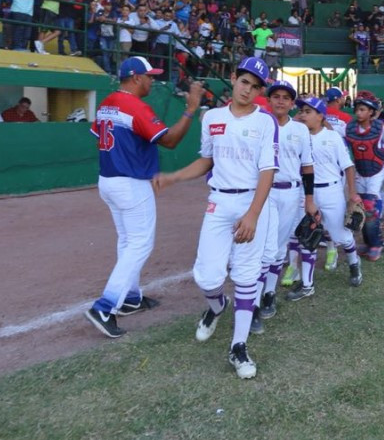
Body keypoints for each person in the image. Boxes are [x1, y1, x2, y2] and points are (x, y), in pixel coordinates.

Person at [152, 57, 277, 379]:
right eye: (244, 82)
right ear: (233, 79)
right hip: (219, 202)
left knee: (247, 277)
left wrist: (252, 214)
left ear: (260, 90)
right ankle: (218, 307)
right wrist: (174, 177)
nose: (248, 90)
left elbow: (267, 171)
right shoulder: (212, 118)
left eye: (255, 86)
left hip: (251, 201)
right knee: (207, 277)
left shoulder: (265, 122)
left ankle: (239, 347)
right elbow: (206, 161)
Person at [83, 57, 201, 339]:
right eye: (149, 76)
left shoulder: (107, 102)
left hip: (108, 180)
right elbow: (169, 140)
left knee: (127, 240)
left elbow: (100, 134)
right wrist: (191, 110)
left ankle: (131, 297)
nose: (152, 81)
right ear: (135, 78)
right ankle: (105, 306)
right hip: (131, 183)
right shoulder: (134, 105)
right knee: (140, 244)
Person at [282, 96, 364, 299]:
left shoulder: (333, 137)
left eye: (308, 111)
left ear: (321, 116)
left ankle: (354, 264)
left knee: (340, 236)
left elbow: (348, 167)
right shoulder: (298, 136)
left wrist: (352, 194)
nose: (302, 115)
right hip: (306, 192)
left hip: (331, 191)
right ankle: (307, 285)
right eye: (301, 111)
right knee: (307, 236)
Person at [251, 80, 316, 331]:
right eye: (275, 96)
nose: (280, 100)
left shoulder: (300, 130)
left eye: (286, 97)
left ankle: (268, 293)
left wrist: (309, 199)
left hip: (290, 193)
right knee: (260, 250)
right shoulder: (259, 124)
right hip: (263, 193)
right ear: (269, 100)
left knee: (278, 249)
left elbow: (307, 167)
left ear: (292, 103)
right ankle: (253, 303)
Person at [344, 92, 384, 260]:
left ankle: (376, 245)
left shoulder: (379, 127)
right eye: (357, 109)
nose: (359, 113)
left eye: (363, 109)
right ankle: (368, 243)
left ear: (371, 112)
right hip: (359, 171)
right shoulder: (350, 128)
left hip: (376, 171)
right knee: (361, 208)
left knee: (371, 207)